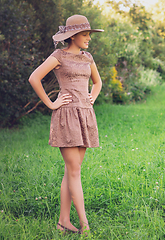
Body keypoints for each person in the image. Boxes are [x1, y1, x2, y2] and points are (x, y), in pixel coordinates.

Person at [28, 15, 103, 234]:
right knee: (74, 171)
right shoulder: (58, 56)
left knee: (72, 171)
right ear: (73, 36)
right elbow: (34, 78)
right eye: (85, 34)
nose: (89, 38)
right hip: (67, 116)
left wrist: (92, 97)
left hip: (85, 116)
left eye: (89, 34)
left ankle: (63, 222)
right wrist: (51, 103)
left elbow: (98, 82)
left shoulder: (88, 57)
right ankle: (85, 226)